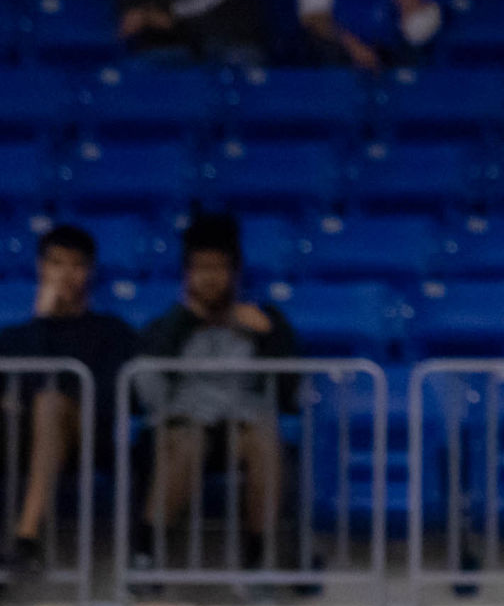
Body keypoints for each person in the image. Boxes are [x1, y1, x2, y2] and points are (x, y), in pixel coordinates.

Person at [134, 214, 299, 579]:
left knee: (263, 440)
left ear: (236, 273)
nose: (210, 277)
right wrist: (182, 322)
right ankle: (145, 549)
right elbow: (145, 392)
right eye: (200, 268)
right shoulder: (165, 326)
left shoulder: (264, 321)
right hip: (178, 429)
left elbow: (291, 395)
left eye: (219, 268)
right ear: (186, 274)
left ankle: (258, 559)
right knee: (188, 440)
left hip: (239, 428)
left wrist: (271, 338)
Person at [0, 225, 138, 577]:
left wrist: (58, 398)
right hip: (21, 435)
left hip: (89, 435)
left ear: (89, 272)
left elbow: (110, 400)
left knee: (49, 404)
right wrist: (41, 323)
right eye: (56, 263)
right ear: (40, 268)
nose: (64, 275)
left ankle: (26, 540)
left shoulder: (112, 331)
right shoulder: (17, 336)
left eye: (75, 265)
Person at [298, 0, 442, 70]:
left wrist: (410, 3)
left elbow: (418, 27)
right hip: (342, 53)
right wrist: (352, 45)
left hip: (395, 53)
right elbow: (315, 18)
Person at [114, 0, 268, 64]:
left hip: (231, 40)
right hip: (168, 45)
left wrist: (172, 13)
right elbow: (132, 10)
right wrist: (146, 14)